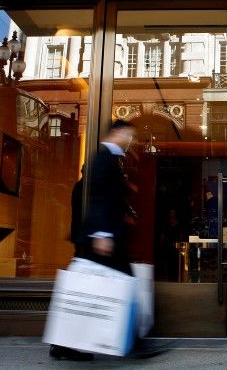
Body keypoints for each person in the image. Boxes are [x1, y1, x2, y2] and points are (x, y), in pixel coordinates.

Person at [50, 119, 138, 362]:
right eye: (128, 134)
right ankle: (132, 342)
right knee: (96, 288)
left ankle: (65, 343)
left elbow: (107, 199)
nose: (129, 140)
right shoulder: (104, 159)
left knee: (87, 289)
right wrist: (102, 234)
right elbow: (100, 199)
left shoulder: (111, 161)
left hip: (103, 237)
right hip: (101, 239)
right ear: (117, 133)